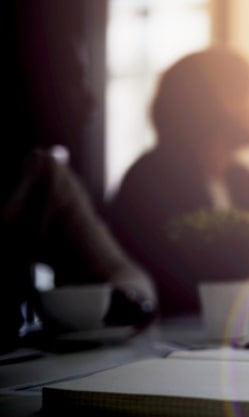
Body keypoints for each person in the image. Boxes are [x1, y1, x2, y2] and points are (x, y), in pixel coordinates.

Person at [2, 1, 156, 352]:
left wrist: (115, 299)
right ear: (26, 77)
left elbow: (125, 275)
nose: (89, 99)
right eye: (73, 79)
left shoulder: (47, 178)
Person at [108, 48, 249, 316]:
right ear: (224, 99)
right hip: (171, 345)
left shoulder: (245, 182)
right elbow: (173, 287)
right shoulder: (150, 181)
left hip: (248, 340)